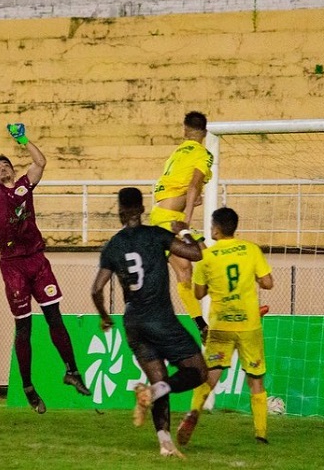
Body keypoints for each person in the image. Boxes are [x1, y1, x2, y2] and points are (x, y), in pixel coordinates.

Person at [0, 109, 91, 413]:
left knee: (54, 316)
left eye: (5, 164)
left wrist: (23, 140)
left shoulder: (25, 186)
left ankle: (72, 371)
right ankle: (28, 386)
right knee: (23, 327)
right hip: (13, 265)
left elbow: (40, 162)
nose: (0, 168)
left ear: (12, 170)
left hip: (37, 260)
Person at [91, 187, 208, 458]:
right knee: (198, 371)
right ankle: (155, 392)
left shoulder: (113, 246)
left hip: (133, 323)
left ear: (120, 211)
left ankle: (165, 443)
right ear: (142, 209)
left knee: (157, 378)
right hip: (161, 319)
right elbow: (195, 253)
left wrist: (105, 317)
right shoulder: (156, 235)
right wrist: (184, 231)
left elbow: (96, 289)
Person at [176, 207, 274, 447]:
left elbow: (198, 294)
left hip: (221, 326)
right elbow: (268, 283)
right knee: (256, 379)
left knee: (210, 375)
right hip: (249, 325)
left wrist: (212, 284)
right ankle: (261, 433)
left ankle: (193, 413)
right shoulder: (251, 249)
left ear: (216, 229)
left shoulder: (207, 258)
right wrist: (254, 278)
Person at [150, 111, 213, 338]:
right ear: (205, 132)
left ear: (184, 130)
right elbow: (194, 185)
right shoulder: (203, 154)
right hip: (170, 219)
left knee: (188, 269)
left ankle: (202, 324)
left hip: (162, 215)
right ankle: (222, 312)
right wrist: (186, 221)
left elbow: (179, 190)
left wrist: (188, 201)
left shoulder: (176, 153)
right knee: (205, 262)